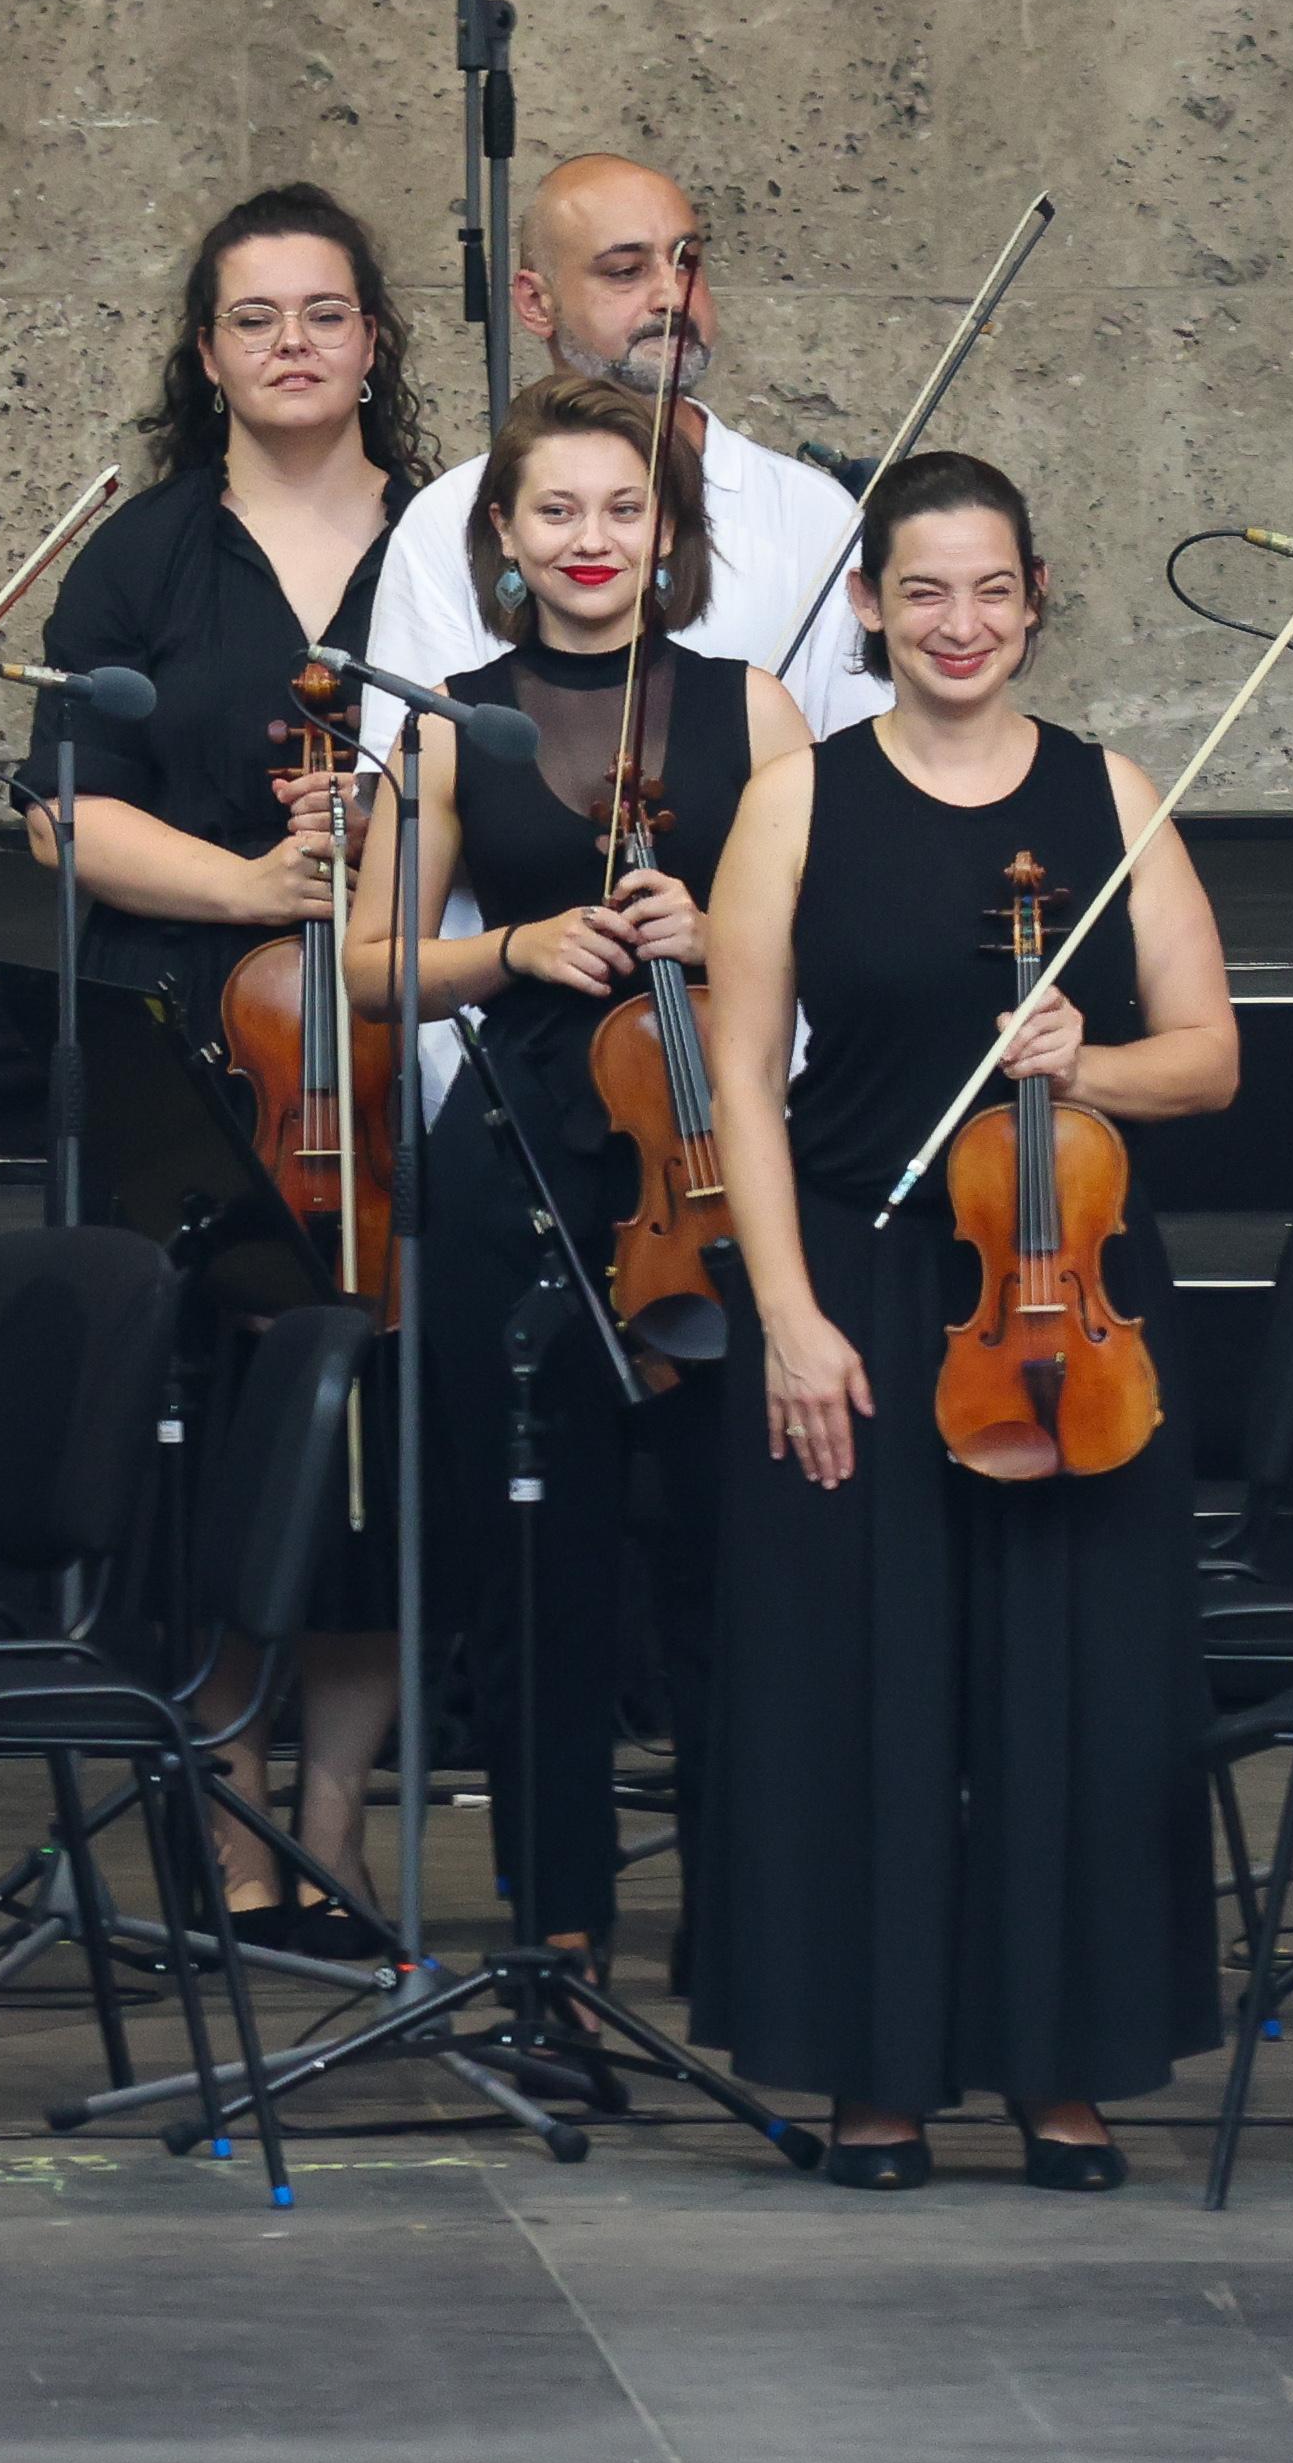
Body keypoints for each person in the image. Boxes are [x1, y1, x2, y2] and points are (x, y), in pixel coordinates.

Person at [688, 452, 1230, 2193]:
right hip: (859, 1275)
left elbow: (1210, 1059)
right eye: (922, 591)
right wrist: (783, 1313)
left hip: (1060, 1286)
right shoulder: (799, 803)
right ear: (867, 608)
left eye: (989, 588)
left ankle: (1060, 2067)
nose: (959, 622)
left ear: (1035, 597)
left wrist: (1095, 1059)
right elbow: (739, 1089)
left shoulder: (1112, 794)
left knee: (1068, 1682)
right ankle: (877, 2070)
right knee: (862, 1685)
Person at [350, 374, 806, 1969]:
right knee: (534, 1563)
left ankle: (747, 1928)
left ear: (666, 530)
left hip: (707, 1173)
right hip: (514, 1174)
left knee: (723, 1565)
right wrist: (515, 945)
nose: (590, 538)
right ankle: (556, 1932)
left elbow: (827, 950)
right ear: (501, 535)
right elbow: (363, 965)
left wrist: (727, 940)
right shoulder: (447, 717)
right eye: (556, 510)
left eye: (624, 509)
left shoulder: (754, 710)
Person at [24, 181, 431, 1939]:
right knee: (210, 1442)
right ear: (206, 353)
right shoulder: (146, 554)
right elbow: (60, 812)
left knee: (377, 1440)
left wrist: (382, 870)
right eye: (253, 319)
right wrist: (260, 885)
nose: (290, 345)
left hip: (399, 1044)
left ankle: (336, 1801)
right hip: (187, 1050)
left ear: (372, 341)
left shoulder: (450, 539)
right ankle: (227, 1801)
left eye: (322, 313)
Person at [360, 154, 884, 745]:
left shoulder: (813, 514)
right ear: (536, 303)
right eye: (625, 271)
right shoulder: (449, 517)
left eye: (688, 264)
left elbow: (857, 765)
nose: (671, 295)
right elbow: (407, 776)